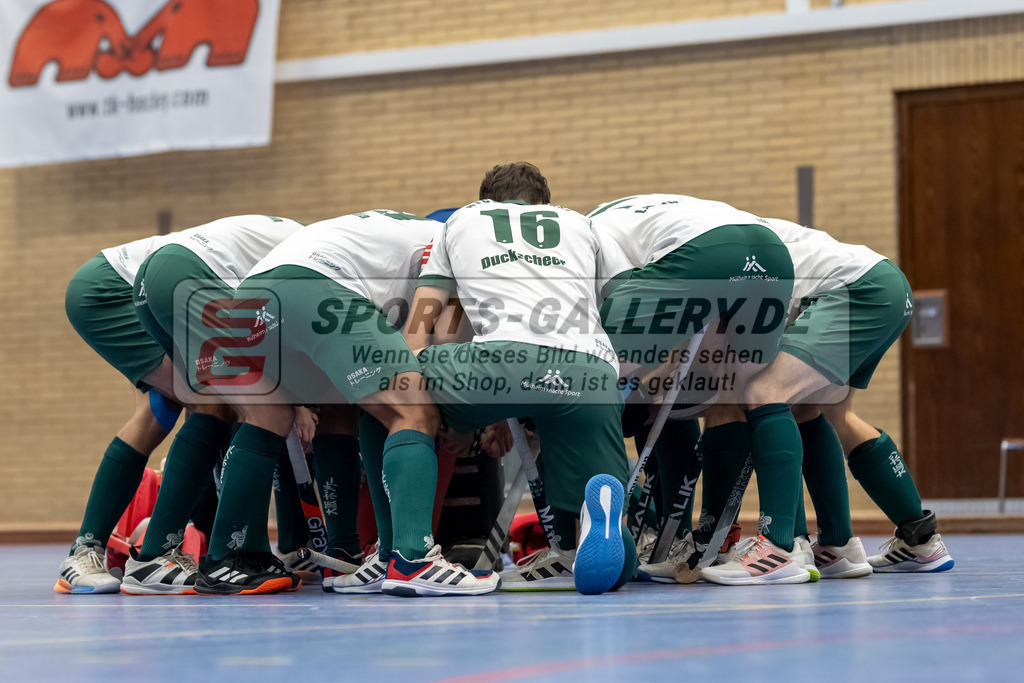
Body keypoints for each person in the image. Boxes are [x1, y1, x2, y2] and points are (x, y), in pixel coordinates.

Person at [194, 209, 500, 597]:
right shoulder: (465, 254)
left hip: (255, 296)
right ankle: (413, 559)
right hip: (317, 285)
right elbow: (427, 348)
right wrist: (473, 420)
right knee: (413, 407)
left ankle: (225, 559)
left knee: (278, 413)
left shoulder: (430, 236)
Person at [407, 162, 636, 595]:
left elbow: (429, 321)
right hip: (586, 368)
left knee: (399, 401)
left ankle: (407, 552)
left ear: (485, 200)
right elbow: (623, 301)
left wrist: (429, 391)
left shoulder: (460, 221)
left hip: (500, 361)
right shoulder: (580, 223)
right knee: (619, 565)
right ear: (544, 204)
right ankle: (598, 526)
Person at [589, 193, 809, 586]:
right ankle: (766, 545)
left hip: (706, 253)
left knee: (597, 377)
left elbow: (623, 314)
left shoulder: (587, 235)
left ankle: (599, 526)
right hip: (769, 249)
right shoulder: (631, 214)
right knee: (755, 393)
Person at [118, 214, 305, 594]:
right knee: (269, 410)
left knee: (216, 406)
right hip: (186, 274)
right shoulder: (322, 262)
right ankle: (225, 560)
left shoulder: (318, 243)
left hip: (152, 279)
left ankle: (163, 555)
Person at [58, 231, 192, 593]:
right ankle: (92, 551)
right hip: (116, 288)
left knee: (163, 409)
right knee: (204, 401)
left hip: (148, 291)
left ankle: (170, 548)